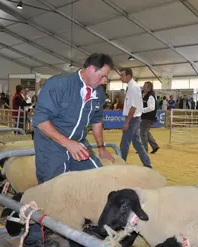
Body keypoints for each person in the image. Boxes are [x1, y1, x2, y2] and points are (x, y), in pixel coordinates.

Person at [27, 53, 115, 247]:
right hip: (51, 145)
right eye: (103, 75)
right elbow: (40, 120)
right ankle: (34, 237)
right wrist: (67, 144)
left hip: (78, 143)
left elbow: (97, 120)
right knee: (51, 191)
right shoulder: (58, 85)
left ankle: (88, 225)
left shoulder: (98, 92)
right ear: (91, 69)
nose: (104, 80)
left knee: (97, 179)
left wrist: (101, 147)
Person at [119, 68, 151, 168]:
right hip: (135, 118)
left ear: (128, 76)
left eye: (122, 75)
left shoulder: (133, 87)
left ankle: (121, 164)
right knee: (137, 143)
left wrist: (126, 122)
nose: (120, 77)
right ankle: (147, 164)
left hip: (133, 119)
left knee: (124, 143)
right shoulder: (132, 86)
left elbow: (133, 107)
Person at [140, 81, 160, 154]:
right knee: (145, 132)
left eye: (145, 86)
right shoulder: (143, 94)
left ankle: (144, 150)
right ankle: (155, 146)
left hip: (148, 117)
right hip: (145, 116)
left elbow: (151, 107)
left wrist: (141, 110)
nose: (143, 87)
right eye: (144, 85)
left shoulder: (150, 96)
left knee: (142, 132)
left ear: (149, 88)